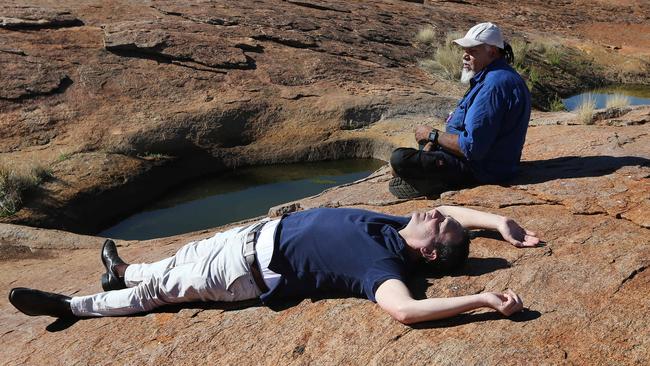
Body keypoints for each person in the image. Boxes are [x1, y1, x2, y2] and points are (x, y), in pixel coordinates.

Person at [9, 205, 540, 325]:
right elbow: (457, 214)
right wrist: (497, 223)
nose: (439, 213)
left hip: (243, 272)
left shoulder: (385, 265)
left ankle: (72, 306)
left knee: (163, 291)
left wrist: (482, 300)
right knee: (172, 262)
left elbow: (404, 311)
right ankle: (123, 270)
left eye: (442, 225)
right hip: (247, 237)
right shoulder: (395, 225)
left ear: (430, 251)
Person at [389, 22, 531, 199]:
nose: (465, 56)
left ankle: (430, 182)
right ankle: (424, 175)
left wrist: (433, 135)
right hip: (494, 163)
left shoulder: (492, 86)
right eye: (465, 50)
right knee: (420, 147)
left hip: (481, 170)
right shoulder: (498, 75)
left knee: (399, 158)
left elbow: (471, 148)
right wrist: (433, 142)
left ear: (492, 52)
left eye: (473, 51)